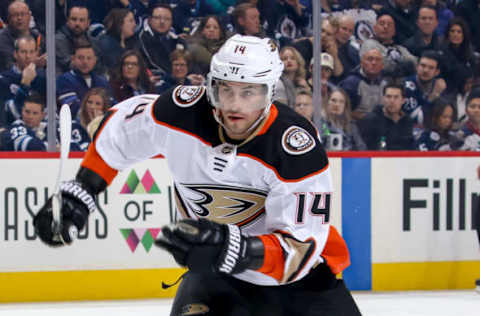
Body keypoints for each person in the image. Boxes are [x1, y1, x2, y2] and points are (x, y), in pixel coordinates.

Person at [33, 34, 361, 316]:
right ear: (210, 85)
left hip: (301, 285)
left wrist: (235, 249)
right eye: (225, 90)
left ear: (269, 92)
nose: (235, 105)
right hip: (217, 277)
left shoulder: (294, 147)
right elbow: (117, 131)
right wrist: (82, 191)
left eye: (249, 93)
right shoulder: (180, 113)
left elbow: (299, 253)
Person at [2, 93, 90, 151]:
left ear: (43, 115)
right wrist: (55, 148)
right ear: (22, 112)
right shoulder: (16, 127)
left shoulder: (53, 128)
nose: (30, 116)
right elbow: (29, 145)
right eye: (27, 112)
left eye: (35, 113)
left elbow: (75, 148)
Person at [56, 40, 113, 119]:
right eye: (80, 58)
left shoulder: (102, 81)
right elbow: (71, 106)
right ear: (73, 59)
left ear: (95, 60)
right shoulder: (65, 79)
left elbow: (111, 104)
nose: (85, 62)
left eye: (89, 58)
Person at [0, 35, 46, 125]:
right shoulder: (3, 79)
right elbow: (10, 114)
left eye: (32, 52)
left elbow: (49, 110)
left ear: (37, 54)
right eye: (23, 52)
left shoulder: (43, 78)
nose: (28, 56)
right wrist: (25, 84)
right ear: (15, 54)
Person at [357, 81, 415, 150]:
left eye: (396, 97)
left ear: (403, 100)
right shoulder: (370, 120)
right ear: (383, 99)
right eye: (388, 97)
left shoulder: (407, 121)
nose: (392, 101)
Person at [138, 3, 187, 82]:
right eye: (157, 18)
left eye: (167, 19)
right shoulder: (142, 38)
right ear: (149, 19)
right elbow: (156, 64)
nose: (162, 22)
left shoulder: (176, 40)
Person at [0, 0, 45, 72]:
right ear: (8, 18)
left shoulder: (37, 35)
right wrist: (34, 64)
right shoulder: (2, 39)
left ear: (29, 16)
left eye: (23, 14)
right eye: (15, 15)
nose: (19, 18)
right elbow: (10, 67)